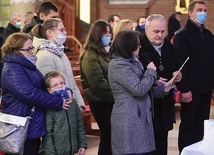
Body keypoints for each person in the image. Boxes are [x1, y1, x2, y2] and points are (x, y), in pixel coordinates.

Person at [1, 32, 70, 155]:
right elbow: (29, 93)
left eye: (32, 47)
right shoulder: (12, 68)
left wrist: (64, 92)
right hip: (20, 123)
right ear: (16, 51)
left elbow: (43, 86)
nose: (32, 51)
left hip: (31, 121)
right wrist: (57, 102)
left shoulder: (27, 64)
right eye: (28, 49)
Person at [108, 30, 174, 154]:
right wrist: (150, 71)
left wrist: (163, 89)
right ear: (129, 46)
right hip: (128, 118)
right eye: (137, 44)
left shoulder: (134, 62)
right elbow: (139, 89)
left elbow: (146, 89)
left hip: (139, 117)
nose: (140, 47)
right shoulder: (118, 65)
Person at [173, 0, 214, 153]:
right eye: (199, 9)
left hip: (205, 88)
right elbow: (180, 65)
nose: (203, 12)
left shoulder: (209, 35)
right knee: (188, 125)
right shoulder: (182, 35)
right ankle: (185, 152)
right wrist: (184, 89)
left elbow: (211, 63)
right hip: (190, 90)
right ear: (190, 13)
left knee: (201, 125)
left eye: (205, 9)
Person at [138, 14, 182, 155]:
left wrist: (178, 74)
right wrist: (152, 79)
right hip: (147, 105)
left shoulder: (169, 46)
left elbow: (177, 66)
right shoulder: (139, 47)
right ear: (146, 29)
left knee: (162, 145)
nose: (160, 35)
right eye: (156, 31)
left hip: (165, 103)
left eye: (163, 31)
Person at [32, 18, 85, 111]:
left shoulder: (60, 52)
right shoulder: (44, 55)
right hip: (60, 108)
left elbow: (71, 81)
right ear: (49, 32)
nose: (65, 33)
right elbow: (51, 88)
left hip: (70, 105)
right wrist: (65, 105)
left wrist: (79, 104)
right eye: (61, 30)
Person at [80, 19, 114, 155]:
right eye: (105, 33)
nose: (109, 36)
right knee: (107, 136)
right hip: (100, 101)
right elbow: (98, 83)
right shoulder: (90, 55)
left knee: (110, 136)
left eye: (109, 33)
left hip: (107, 100)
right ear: (97, 34)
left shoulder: (103, 52)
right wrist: (115, 98)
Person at [43, 71, 87, 155]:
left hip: (72, 149)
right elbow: (47, 134)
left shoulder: (73, 103)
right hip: (57, 151)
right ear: (49, 90)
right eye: (55, 85)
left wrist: (82, 145)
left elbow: (79, 125)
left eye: (62, 83)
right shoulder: (50, 108)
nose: (60, 86)